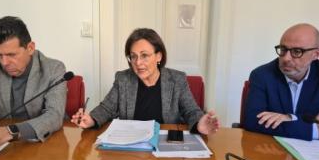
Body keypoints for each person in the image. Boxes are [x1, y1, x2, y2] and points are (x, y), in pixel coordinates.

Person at [71, 28, 220, 134]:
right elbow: (106, 108)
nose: (138, 63)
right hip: (131, 147)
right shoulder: (123, 79)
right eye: (133, 56)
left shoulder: (177, 80)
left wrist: (199, 123)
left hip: (164, 145)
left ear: (158, 56)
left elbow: (191, 110)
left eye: (144, 55)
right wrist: (90, 119)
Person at [0, 16, 67, 158]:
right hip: (2, 148)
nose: (4, 62)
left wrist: (9, 132)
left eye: (11, 55)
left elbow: (54, 116)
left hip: (41, 143)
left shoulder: (54, 68)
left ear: (30, 48)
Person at [241, 23, 319, 140]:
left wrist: (289, 118)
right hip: (272, 150)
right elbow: (252, 120)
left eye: (297, 51)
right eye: (283, 49)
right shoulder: (262, 75)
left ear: (315, 54)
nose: (286, 58)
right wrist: (314, 130)